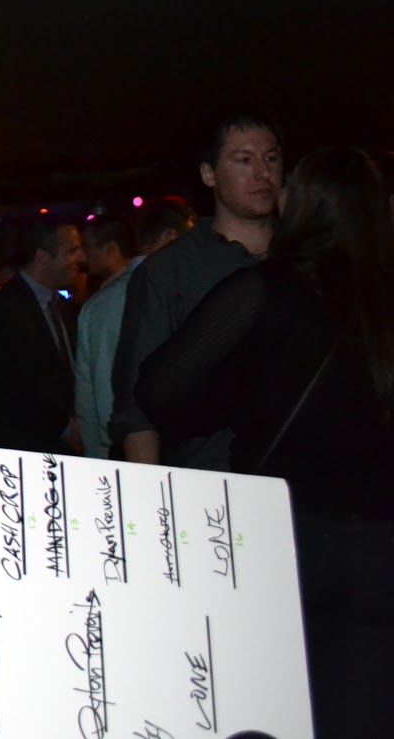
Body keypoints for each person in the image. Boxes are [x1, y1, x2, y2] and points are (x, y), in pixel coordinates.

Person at [135, 146, 394, 735]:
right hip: (381, 547)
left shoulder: (263, 291)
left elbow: (159, 388)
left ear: (301, 206)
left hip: (281, 539)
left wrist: (235, 401)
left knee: (274, 712)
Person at [110, 112, 282, 466]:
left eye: (271, 158)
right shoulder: (170, 271)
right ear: (208, 174)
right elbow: (136, 408)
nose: (263, 173)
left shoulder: (308, 256)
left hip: (308, 476)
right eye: (244, 160)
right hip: (211, 476)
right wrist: (151, 489)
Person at [73, 200, 195, 458]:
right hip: (169, 450)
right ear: (172, 238)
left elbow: (89, 398)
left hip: (120, 453)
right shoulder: (181, 294)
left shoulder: (98, 306)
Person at [0, 218, 86, 453]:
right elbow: (8, 391)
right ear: (42, 256)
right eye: (71, 251)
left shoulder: (63, 307)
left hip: (62, 450)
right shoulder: (4, 310)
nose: (81, 258)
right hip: (25, 451)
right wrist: (66, 429)